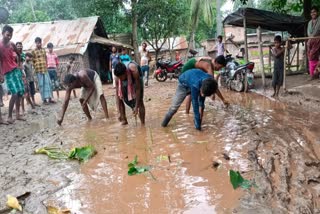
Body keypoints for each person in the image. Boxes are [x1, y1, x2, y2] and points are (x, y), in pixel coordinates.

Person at [0, 25, 25, 124]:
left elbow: (18, 54)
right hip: (7, 72)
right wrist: (0, 74)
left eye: (11, 35)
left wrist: (19, 64)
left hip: (15, 70)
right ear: (2, 33)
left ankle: (17, 115)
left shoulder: (12, 44)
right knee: (14, 93)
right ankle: (9, 116)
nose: (9, 37)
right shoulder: (0, 46)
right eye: (7, 35)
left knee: (20, 92)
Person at [32, 37, 55, 104]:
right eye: (37, 43)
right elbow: (32, 61)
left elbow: (45, 58)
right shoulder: (33, 51)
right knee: (42, 85)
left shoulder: (43, 50)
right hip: (38, 70)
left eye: (40, 42)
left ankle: (50, 98)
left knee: (48, 83)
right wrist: (36, 66)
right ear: (35, 43)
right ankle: (44, 100)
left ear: (41, 43)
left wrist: (46, 65)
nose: (39, 44)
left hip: (45, 69)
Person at [307, 6, 320, 80]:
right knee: (311, 57)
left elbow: (317, 31)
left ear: (317, 12)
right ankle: (314, 74)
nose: (313, 13)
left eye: (314, 11)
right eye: (311, 12)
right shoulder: (309, 23)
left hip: (319, 40)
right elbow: (309, 33)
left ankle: (316, 73)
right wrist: (311, 39)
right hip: (312, 42)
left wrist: (314, 37)